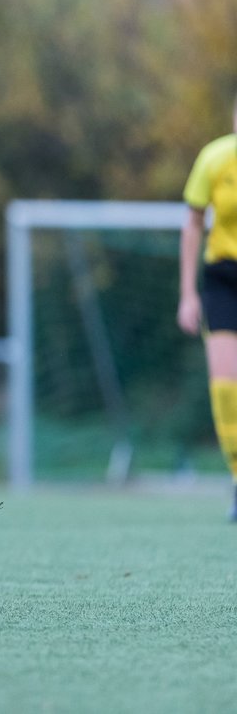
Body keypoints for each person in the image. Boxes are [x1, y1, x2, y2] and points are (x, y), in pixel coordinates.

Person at [178, 100, 237, 521]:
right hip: (224, 280)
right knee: (226, 390)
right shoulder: (214, 158)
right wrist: (188, 293)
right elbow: (194, 223)